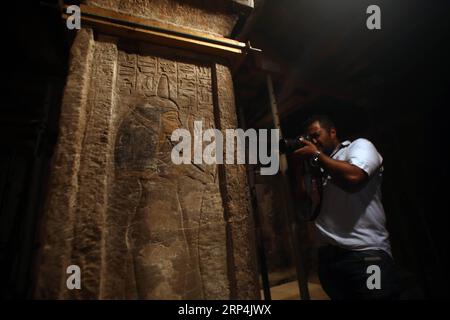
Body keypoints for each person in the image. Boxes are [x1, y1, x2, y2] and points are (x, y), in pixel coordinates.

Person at [293, 114, 401, 300]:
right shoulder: (316, 166)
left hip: (367, 254)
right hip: (329, 260)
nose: (314, 141)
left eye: (317, 135)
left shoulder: (358, 146)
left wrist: (316, 156)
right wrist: (299, 168)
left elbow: (354, 178)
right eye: (310, 139)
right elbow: (304, 203)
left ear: (332, 132)